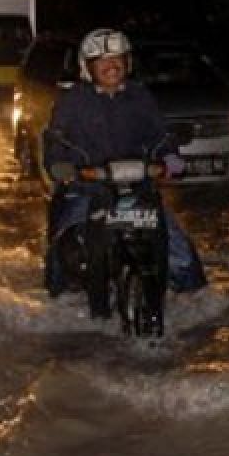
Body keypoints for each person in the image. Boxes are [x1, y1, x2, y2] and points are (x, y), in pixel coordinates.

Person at [43, 28, 185, 324]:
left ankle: (192, 301)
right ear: (87, 66)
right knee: (64, 244)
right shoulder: (72, 100)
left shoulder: (140, 96)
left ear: (128, 62)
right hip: (88, 187)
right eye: (103, 60)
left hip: (137, 186)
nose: (112, 66)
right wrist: (61, 165)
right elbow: (56, 139)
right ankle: (55, 306)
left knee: (179, 248)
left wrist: (170, 157)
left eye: (118, 59)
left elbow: (160, 134)